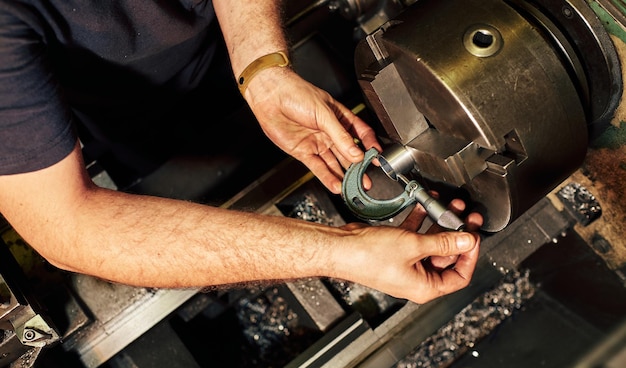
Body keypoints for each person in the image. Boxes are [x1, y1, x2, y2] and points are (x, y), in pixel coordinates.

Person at [0, 0, 482, 305]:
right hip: (118, 114)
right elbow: (67, 226)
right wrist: (341, 250)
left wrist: (261, 66)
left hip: (224, 51)